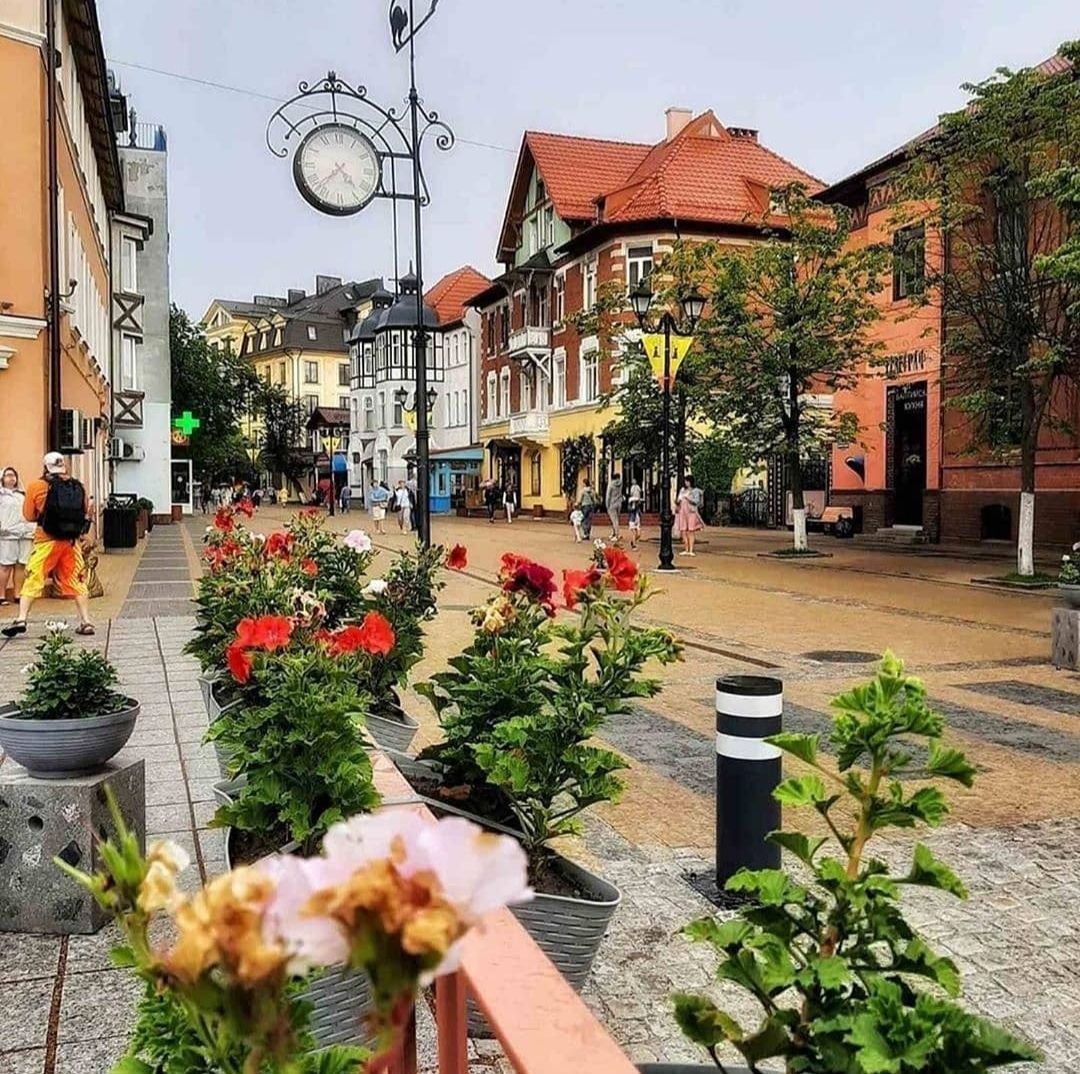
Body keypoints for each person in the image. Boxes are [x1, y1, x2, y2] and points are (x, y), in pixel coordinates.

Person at [1, 452, 94, 638]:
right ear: (63, 466)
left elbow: (28, 516)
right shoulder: (78, 486)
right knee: (77, 579)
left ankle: (21, 619)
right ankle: (86, 621)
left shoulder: (37, 486)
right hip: (70, 542)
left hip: (46, 541)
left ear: (45, 467)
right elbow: (85, 511)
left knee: (33, 577)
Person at [0, 468, 33, 606]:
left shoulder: (22, 495)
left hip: (25, 533)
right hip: (7, 534)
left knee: (21, 565)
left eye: (13, 475)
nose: (11, 478)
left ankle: (17, 594)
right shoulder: (1, 495)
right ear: (2, 478)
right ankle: (1, 595)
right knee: (5, 565)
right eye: (8, 475)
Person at [676, 474, 704, 556]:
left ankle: (691, 550)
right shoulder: (682, 490)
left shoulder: (695, 491)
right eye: (685, 481)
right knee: (683, 530)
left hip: (691, 511)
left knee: (691, 530)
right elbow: (678, 500)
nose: (686, 483)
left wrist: (688, 498)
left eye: (687, 481)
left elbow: (696, 501)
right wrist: (678, 502)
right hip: (682, 511)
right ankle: (686, 548)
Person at [605, 472, 623, 540]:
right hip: (619, 503)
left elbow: (608, 495)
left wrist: (607, 504)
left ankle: (617, 535)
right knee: (616, 519)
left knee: (614, 520)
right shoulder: (620, 484)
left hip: (612, 504)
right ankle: (614, 533)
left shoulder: (611, 485)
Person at [627, 480, 643, 550]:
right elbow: (630, 509)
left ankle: (633, 541)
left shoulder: (638, 488)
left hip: (637, 519)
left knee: (638, 534)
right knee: (634, 533)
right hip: (632, 519)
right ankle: (634, 545)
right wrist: (633, 505)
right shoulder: (631, 500)